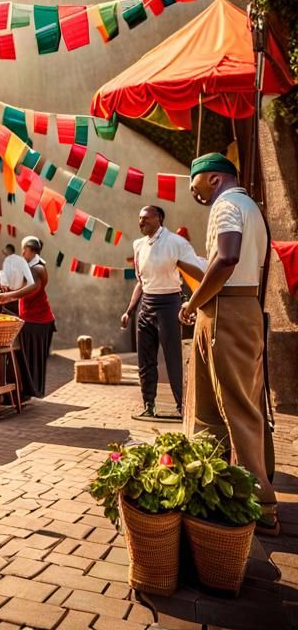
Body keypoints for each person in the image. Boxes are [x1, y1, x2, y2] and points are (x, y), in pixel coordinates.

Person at [181, 153, 277, 534]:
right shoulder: (252, 208)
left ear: (214, 179)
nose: (195, 194)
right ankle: (217, 488)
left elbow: (227, 257)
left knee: (235, 407)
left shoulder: (226, 205)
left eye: (196, 185)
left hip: (226, 310)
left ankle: (261, 503)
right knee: (219, 406)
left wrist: (193, 301)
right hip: (241, 307)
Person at [122, 205, 206, 419]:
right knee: (145, 359)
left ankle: (182, 406)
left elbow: (198, 273)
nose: (141, 222)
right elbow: (141, 283)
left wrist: (197, 302)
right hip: (147, 305)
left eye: (146, 218)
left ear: (159, 218)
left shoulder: (175, 243)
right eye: (139, 218)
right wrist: (129, 311)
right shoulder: (138, 245)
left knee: (172, 357)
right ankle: (148, 405)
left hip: (169, 304)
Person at [0, 236, 55, 398]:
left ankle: (24, 393)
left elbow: (29, 289)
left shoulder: (38, 268)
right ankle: (22, 393)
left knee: (28, 360)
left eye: (24, 250)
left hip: (37, 321)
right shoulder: (31, 266)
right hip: (31, 317)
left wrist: (4, 297)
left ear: (29, 250)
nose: (22, 253)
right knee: (25, 359)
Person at [0, 244, 32, 316]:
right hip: (20, 295)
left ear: (8, 251)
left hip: (10, 295)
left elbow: (4, 282)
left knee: (8, 316)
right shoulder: (22, 260)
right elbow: (28, 279)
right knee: (17, 316)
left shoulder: (7, 261)